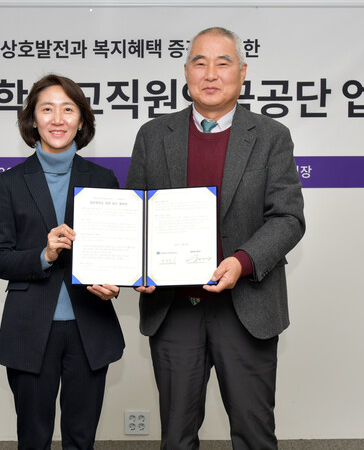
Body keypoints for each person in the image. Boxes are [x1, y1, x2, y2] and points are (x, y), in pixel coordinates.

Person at [125, 27, 306, 449]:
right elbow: (136, 217)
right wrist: (137, 268)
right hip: (174, 310)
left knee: (254, 435)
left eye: (223, 63)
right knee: (176, 437)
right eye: (200, 63)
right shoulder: (154, 135)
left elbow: (288, 218)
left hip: (246, 309)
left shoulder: (271, 136)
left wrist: (242, 261)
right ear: (186, 72)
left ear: (242, 72)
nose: (210, 74)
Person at [0, 74, 124, 450]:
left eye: (68, 109)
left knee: (81, 439)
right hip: (30, 329)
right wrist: (43, 256)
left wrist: (116, 284)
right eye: (47, 109)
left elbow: (118, 250)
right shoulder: (10, 183)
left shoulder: (104, 180)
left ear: (81, 120)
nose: (58, 119)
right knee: (34, 439)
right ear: (33, 120)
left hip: (89, 326)